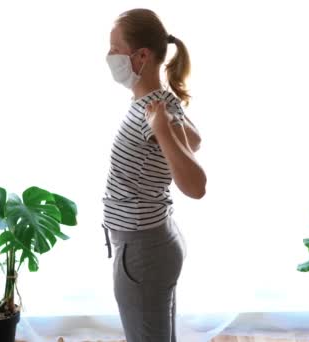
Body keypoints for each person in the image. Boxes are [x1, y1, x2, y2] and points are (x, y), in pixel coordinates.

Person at [102, 8, 208, 342]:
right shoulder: (157, 100)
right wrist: (166, 129)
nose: (108, 57)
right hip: (149, 244)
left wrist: (162, 131)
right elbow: (196, 138)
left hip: (143, 251)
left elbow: (196, 185)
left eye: (115, 50)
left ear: (142, 56)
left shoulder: (156, 111)